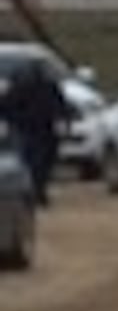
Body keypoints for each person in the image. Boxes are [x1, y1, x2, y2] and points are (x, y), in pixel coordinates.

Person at [1, 61, 68, 210]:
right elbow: (61, 107)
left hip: (33, 130)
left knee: (34, 162)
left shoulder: (21, 87)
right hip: (34, 130)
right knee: (36, 163)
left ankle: (35, 192)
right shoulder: (48, 87)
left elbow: (5, 108)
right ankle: (35, 192)